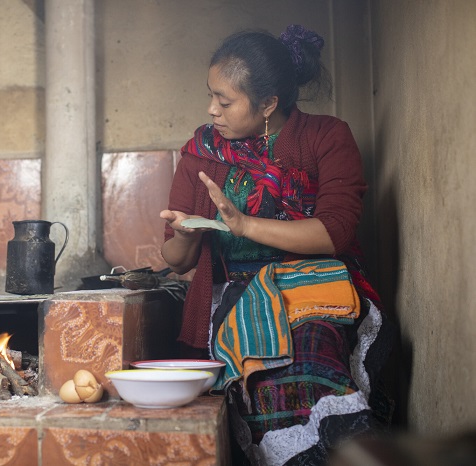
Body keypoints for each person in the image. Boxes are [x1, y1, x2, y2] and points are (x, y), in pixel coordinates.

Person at [160, 25, 394, 465]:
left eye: (225, 101)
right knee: (255, 368)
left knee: (309, 354)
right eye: (211, 96)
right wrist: (185, 235)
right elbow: (175, 262)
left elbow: (333, 233)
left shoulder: (326, 137)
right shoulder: (202, 151)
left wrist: (244, 224)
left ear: (268, 103)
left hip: (315, 289)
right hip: (237, 298)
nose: (212, 110)